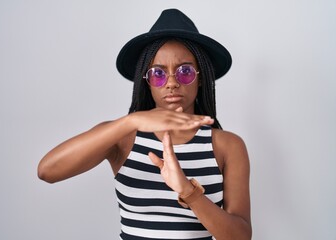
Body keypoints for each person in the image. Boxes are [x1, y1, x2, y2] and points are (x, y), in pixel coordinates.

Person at [38, 8, 252, 240]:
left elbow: (240, 237)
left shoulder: (227, 145)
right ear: (147, 82)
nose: (171, 83)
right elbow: (47, 171)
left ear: (200, 79)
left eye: (185, 72)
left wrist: (189, 192)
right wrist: (132, 120)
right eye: (158, 73)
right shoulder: (122, 137)